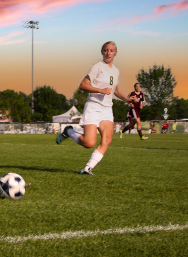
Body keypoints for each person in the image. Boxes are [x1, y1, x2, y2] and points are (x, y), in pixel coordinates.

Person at [56, 41, 136, 175]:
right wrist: (100, 90)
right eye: (105, 50)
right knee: (89, 143)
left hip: (106, 109)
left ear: (115, 53)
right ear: (102, 52)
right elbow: (83, 85)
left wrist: (127, 99)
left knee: (107, 140)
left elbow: (115, 90)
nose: (108, 53)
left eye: (111, 50)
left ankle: (87, 168)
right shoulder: (97, 67)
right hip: (93, 106)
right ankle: (69, 131)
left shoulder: (116, 71)